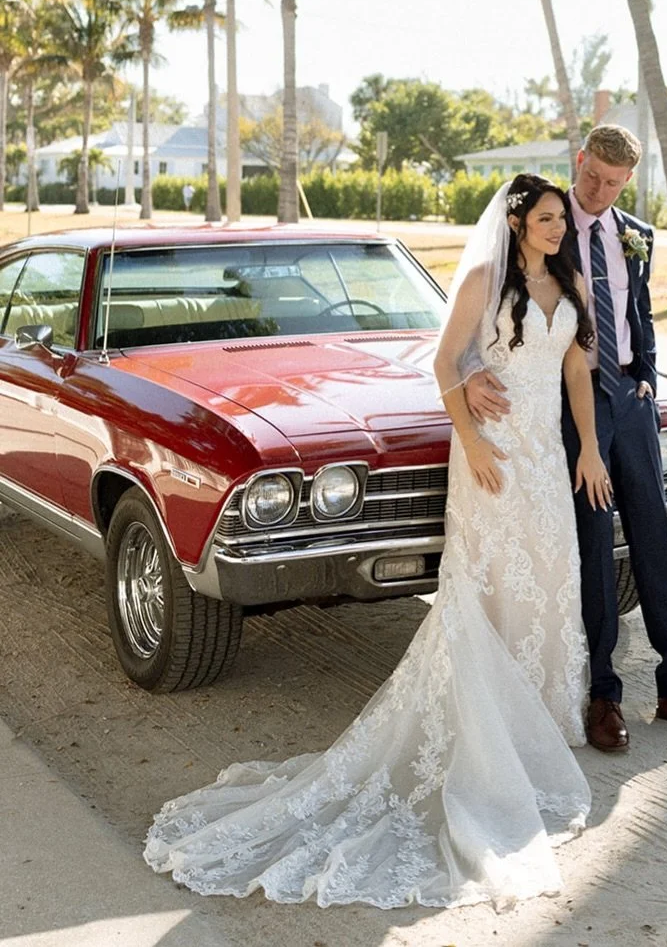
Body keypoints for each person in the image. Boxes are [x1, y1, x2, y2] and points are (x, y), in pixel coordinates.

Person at [143, 174, 610, 909]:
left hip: (549, 455)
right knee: (488, 583)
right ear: (518, 222)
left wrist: (587, 448)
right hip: (491, 453)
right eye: (549, 219)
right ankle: (489, 733)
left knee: (551, 577)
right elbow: (444, 362)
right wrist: (474, 443)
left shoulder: (568, 278)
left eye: (562, 220)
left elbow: (575, 364)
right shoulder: (486, 278)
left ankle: (544, 717)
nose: (560, 228)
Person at [465, 125, 667, 753]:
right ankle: (603, 694)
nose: (597, 192)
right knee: (595, 546)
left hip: (629, 398)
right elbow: (489, 300)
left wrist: (647, 378)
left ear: (629, 182)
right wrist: (471, 373)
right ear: (580, 162)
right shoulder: (542, 224)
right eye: (591, 176)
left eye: (613, 183)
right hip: (570, 405)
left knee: (655, 533)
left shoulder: (636, 235)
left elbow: (636, 314)